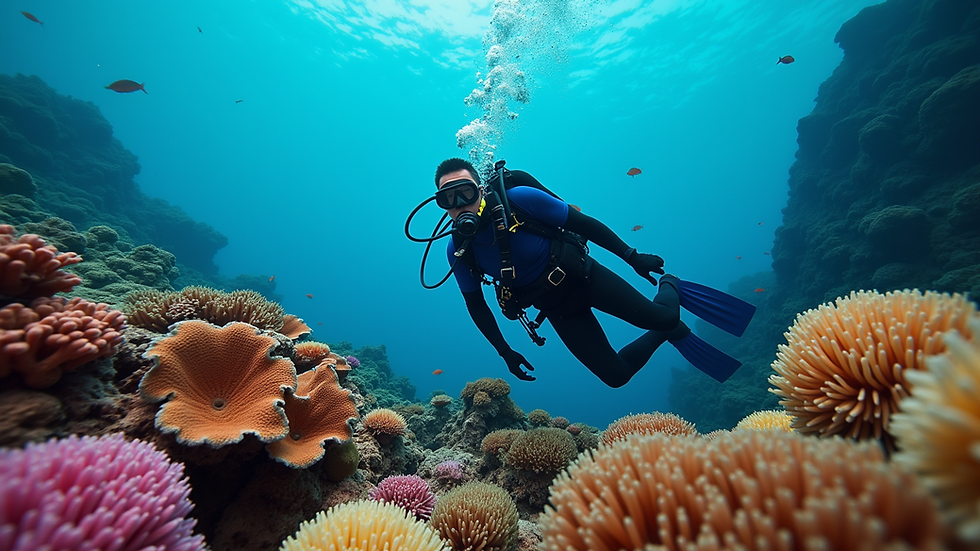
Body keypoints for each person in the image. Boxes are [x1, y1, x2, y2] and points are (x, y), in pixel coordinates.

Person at [434, 157, 754, 387]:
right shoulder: (459, 250)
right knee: (616, 377)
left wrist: (633, 257)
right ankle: (668, 332)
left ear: (481, 189)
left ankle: (671, 286)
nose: (459, 203)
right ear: (441, 205)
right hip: (557, 309)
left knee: (666, 316)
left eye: (466, 192)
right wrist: (504, 352)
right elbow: (476, 304)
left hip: (585, 277)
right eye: (448, 198)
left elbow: (583, 224)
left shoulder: (519, 200)